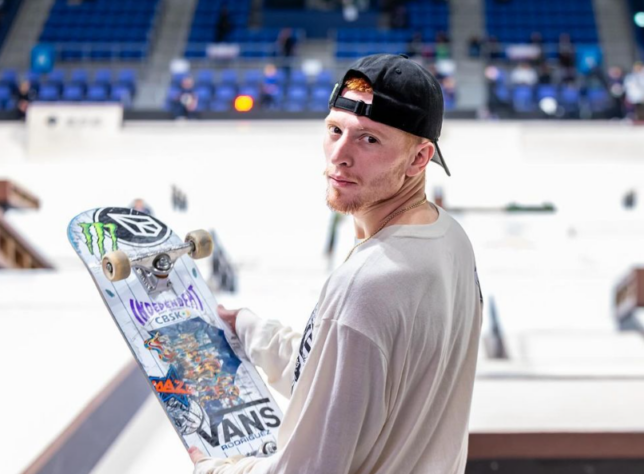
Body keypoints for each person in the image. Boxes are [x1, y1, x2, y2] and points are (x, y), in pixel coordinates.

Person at [191, 53, 483, 474]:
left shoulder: (368, 283)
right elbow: (345, 383)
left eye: (369, 140)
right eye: (334, 130)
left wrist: (213, 470)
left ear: (420, 159)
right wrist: (253, 331)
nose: (339, 156)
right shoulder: (451, 240)